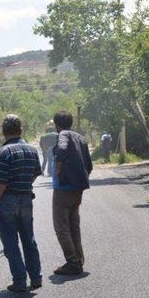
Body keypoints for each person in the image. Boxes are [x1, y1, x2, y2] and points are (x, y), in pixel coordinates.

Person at [0, 115, 42, 292]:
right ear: (21, 130)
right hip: (25, 199)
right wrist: (23, 184)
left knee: (10, 242)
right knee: (29, 240)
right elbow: (34, 174)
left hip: (7, 201)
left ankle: (19, 281)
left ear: (3, 132)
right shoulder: (32, 150)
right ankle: (36, 277)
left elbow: (0, 183)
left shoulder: (5, 152)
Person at [51, 111, 93, 275]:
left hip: (64, 188)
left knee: (61, 227)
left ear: (57, 125)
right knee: (73, 225)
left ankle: (72, 262)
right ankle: (78, 259)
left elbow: (61, 150)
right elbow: (89, 165)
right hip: (78, 188)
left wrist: (58, 169)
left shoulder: (63, 134)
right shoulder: (80, 137)